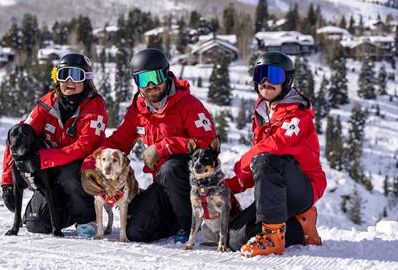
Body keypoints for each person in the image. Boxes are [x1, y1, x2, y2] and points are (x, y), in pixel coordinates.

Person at [81, 48, 216, 242]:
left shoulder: (189, 106)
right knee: (136, 230)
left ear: (166, 74)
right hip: (162, 185)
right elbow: (117, 142)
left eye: (156, 77)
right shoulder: (138, 112)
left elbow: (208, 145)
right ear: (137, 83)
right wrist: (88, 165)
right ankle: (173, 220)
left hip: (191, 183)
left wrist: (164, 147)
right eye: (144, 80)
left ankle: (189, 225)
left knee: (171, 168)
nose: (151, 85)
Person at [224, 51, 326, 257]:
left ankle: (273, 237)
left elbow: (275, 148)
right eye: (260, 74)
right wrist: (233, 185)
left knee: (266, 157)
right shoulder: (263, 112)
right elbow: (261, 164)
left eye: (274, 76)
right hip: (275, 190)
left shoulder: (298, 114)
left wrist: (244, 163)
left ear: (286, 81)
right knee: (235, 238)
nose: (265, 82)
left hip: (303, 187)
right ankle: (301, 226)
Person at [1, 53, 108, 236]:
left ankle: (86, 217)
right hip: (49, 176)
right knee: (37, 225)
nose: (69, 81)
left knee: (70, 174)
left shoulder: (94, 108)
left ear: (87, 79)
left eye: (76, 75)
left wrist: (44, 159)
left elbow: (85, 146)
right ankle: (63, 212)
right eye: (63, 74)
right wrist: (7, 182)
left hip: (79, 170)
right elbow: (21, 135)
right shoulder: (47, 104)